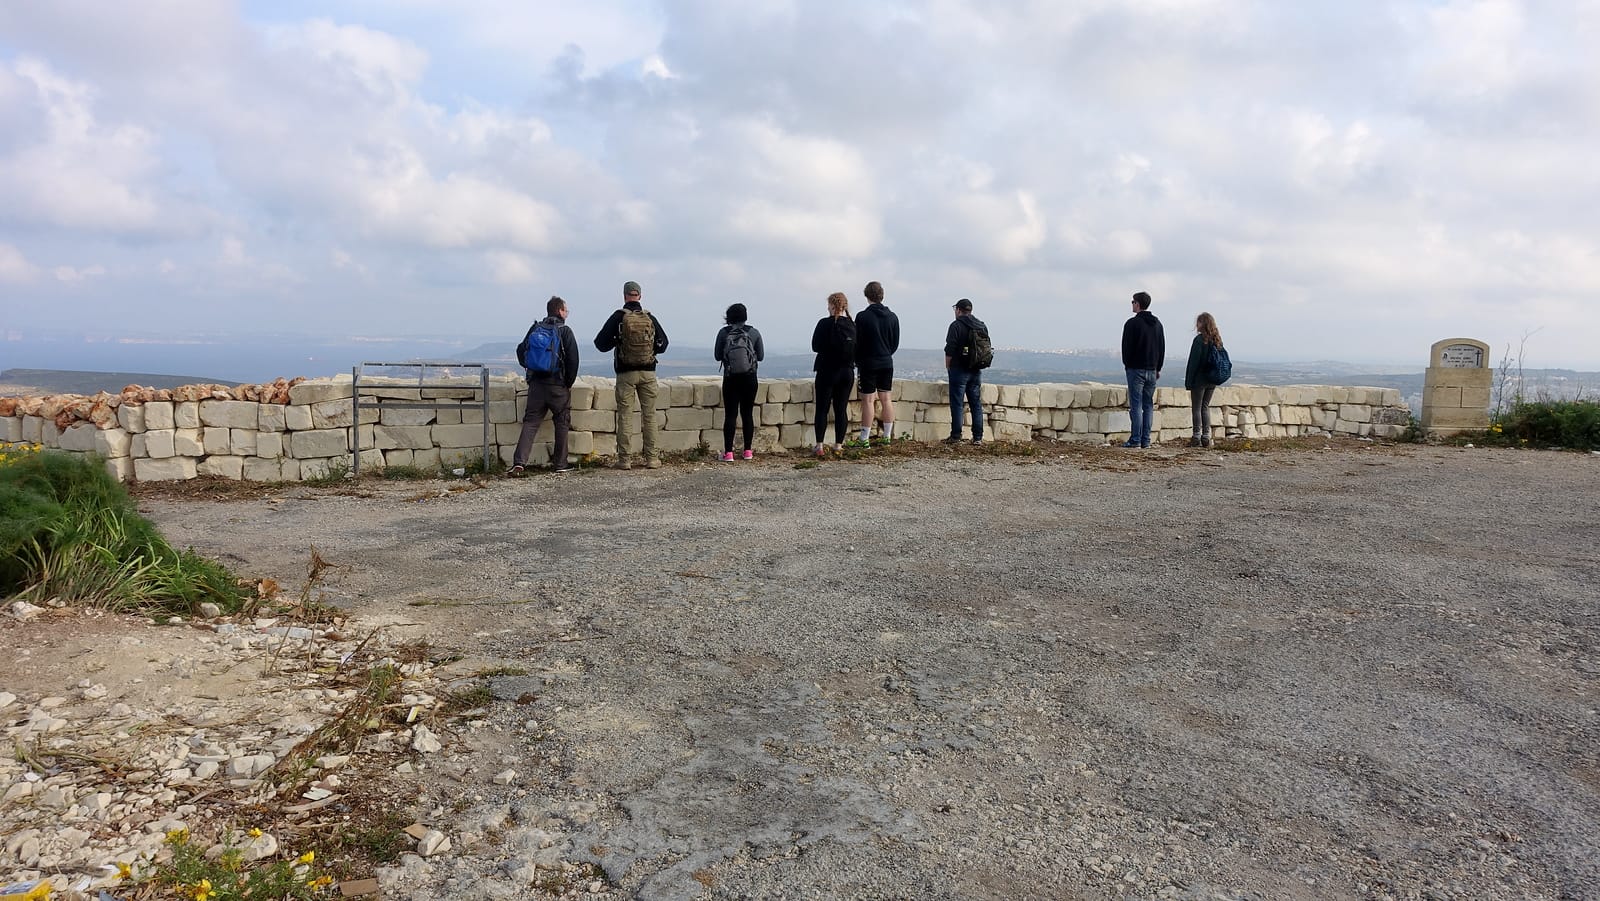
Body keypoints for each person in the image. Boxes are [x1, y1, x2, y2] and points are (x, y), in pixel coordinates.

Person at [594, 280, 669, 469]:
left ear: (624, 296)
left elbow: (600, 344)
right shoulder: (649, 318)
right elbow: (664, 343)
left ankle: (625, 460)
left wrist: (618, 341)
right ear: (640, 296)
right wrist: (649, 352)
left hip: (625, 373)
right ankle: (652, 459)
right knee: (650, 415)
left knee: (625, 416)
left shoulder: (619, 317)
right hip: (648, 372)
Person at [510, 296, 581, 475]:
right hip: (557, 385)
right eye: (566, 310)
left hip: (536, 385)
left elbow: (521, 350)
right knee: (562, 422)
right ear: (559, 311)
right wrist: (568, 383)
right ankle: (560, 464)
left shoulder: (535, 328)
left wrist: (530, 370)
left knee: (531, 422)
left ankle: (519, 463)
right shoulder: (565, 331)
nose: (567, 313)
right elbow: (573, 360)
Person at [713, 303, 765, 461]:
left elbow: (717, 356)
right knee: (747, 414)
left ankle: (728, 453)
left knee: (730, 415)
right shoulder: (754, 332)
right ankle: (748, 451)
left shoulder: (723, 333)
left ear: (729, 317)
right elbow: (761, 356)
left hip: (731, 378)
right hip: (750, 378)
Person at [810, 292, 856, 456]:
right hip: (847, 372)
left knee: (822, 409)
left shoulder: (824, 323)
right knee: (841, 409)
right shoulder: (852, 324)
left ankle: (820, 446)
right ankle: (838, 446)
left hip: (826, 370)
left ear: (832, 306)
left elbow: (815, 346)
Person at [854, 280, 900, 444]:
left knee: (868, 400)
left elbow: (856, 342)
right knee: (886, 399)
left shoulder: (862, 317)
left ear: (867, 296)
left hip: (868, 363)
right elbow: (895, 343)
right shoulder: (893, 317)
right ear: (882, 295)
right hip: (886, 361)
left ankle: (864, 438)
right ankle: (887, 436)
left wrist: (857, 359)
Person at [1120, 290, 1165, 448]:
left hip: (1136, 369)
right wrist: (1158, 367)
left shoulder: (1132, 324)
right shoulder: (1158, 324)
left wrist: (1127, 364)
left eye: (1133, 302)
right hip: (1152, 370)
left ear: (1138, 304)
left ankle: (1135, 439)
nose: (1132, 304)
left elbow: (1126, 348)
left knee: (1136, 406)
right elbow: (1161, 347)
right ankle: (1146, 440)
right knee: (1148, 406)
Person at [942, 298, 988, 445]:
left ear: (958, 310)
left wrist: (948, 365)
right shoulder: (981, 325)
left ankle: (956, 436)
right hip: (975, 369)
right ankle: (978, 437)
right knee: (975, 403)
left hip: (958, 369)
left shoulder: (956, 325)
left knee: (957, 403)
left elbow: (950, 348)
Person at [1184, 312, 1225, 448]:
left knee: (1196, 407)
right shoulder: (1217, 340)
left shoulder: (1199, 340)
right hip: (1212, 379)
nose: (1196, 325)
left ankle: (1196, 436)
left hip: (1199, 379)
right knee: (1205, 407)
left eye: (1198, 322)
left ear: (1203, 324)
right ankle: (1206, 436)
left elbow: (1193, 363)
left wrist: (1189, 382)